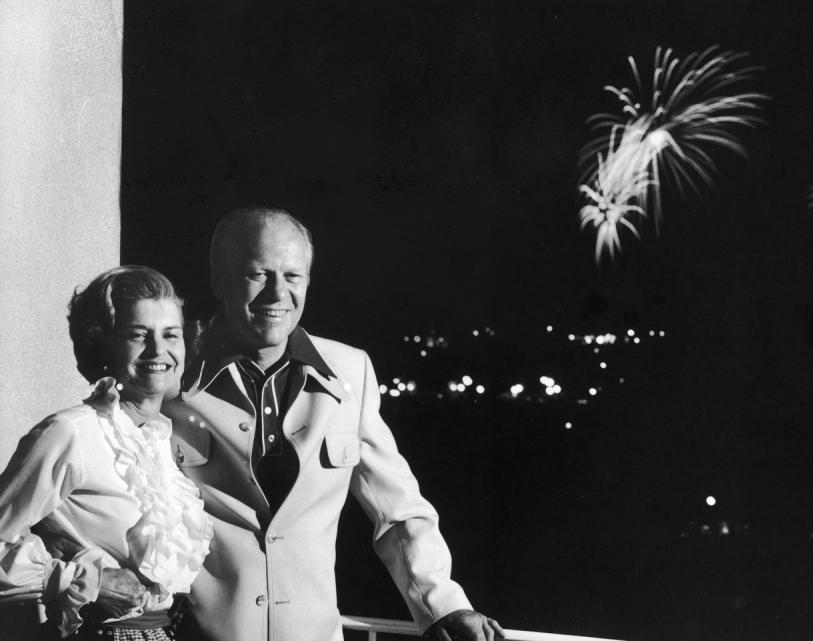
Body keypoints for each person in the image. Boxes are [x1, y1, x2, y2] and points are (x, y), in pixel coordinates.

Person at [163, 207, 503, 641]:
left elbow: (397, 511)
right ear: (219, 280)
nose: (277, 293)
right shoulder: (172, 376)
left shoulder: (350, 371)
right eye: (257, 274)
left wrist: (444, 608)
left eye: (293, 276)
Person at [0, 266, 213, 640]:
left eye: (171, 335)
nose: (158, 350)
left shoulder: (161, 439)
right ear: (103, 344)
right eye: (138, 335)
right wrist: (80, 581)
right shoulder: (70, 433)